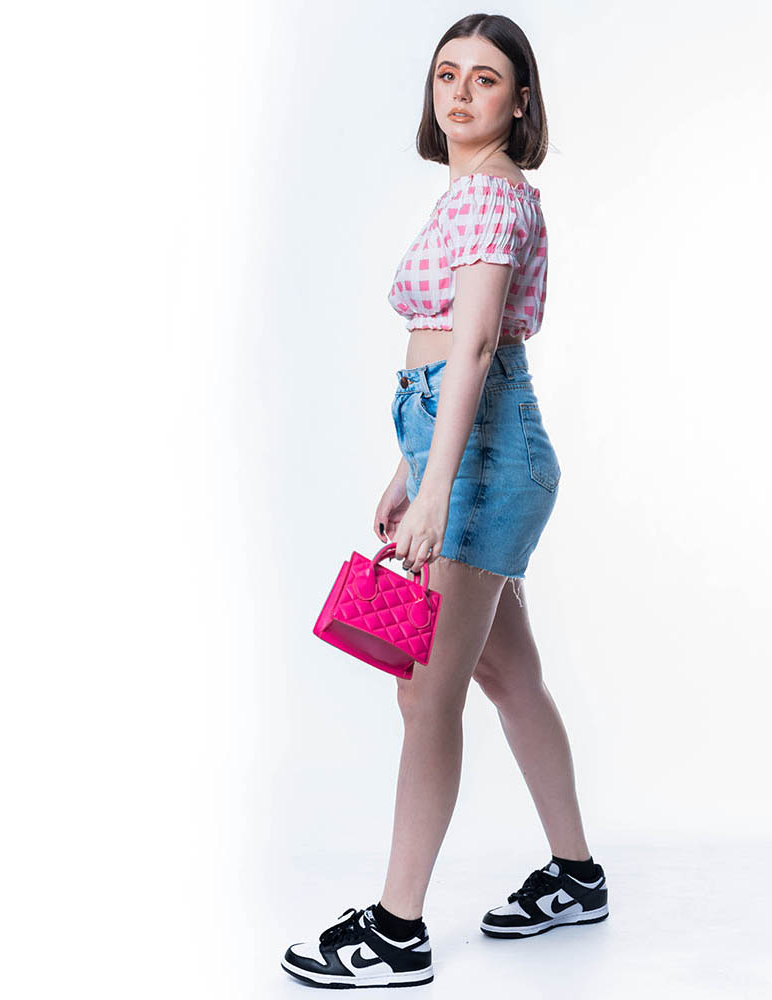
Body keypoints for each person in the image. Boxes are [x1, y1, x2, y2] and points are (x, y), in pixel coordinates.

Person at [281, 14, 607, 990]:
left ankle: (396, 930)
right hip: (466, 450)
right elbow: (445, 354)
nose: (461, 93)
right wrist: (409, 465)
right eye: (447, 75)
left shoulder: (491, 198)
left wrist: (435, 490)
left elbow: (470, 350)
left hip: (484, 461)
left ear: (521, 101)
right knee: (509, 676)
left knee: (427, 691)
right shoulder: (470, 193)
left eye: (486, 79)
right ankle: (576, 875)